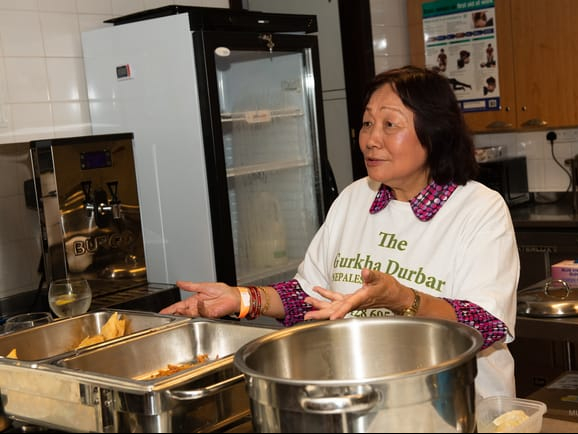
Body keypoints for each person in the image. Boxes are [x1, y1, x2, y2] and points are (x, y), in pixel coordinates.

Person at [160, 65, 520, 400]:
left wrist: (403, 299)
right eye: (366, 124)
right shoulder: (354, 198)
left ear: (435, 132)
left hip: (454, 404)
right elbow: (310, 298)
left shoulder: (478, 209)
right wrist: (241, 300)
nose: (370, 140)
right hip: (363, 400)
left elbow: (486, 325)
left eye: (390, 125)